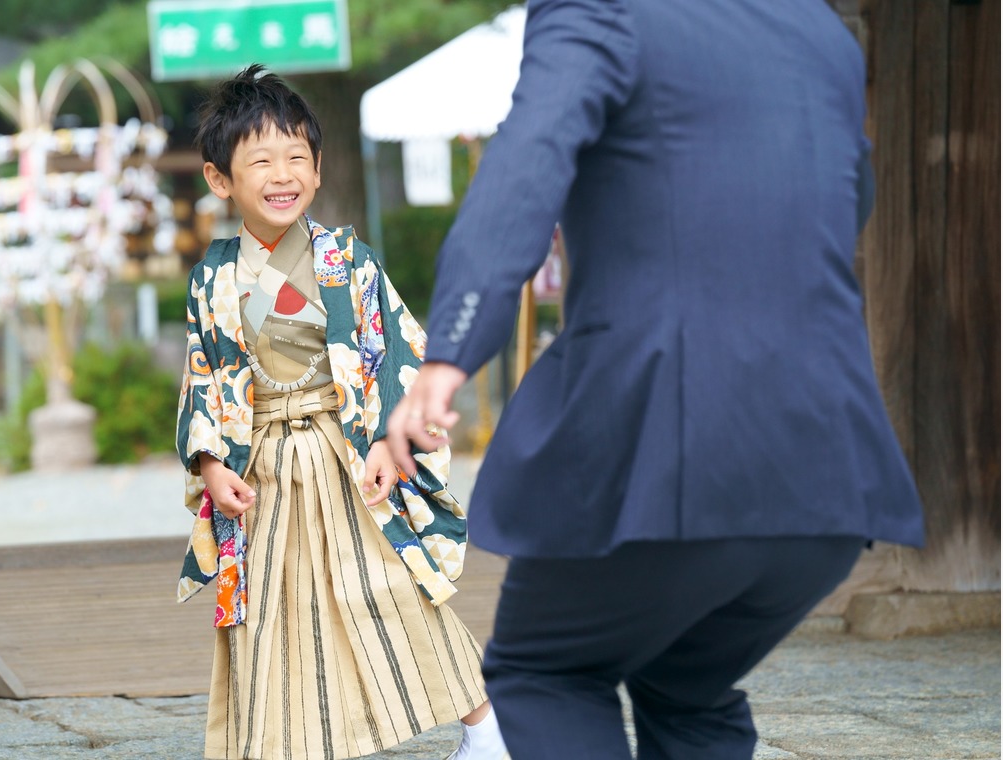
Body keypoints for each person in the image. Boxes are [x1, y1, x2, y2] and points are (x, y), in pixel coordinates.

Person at [386, 1, 925, 758]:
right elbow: (850, 194)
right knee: (686, 688)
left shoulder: (601, 8)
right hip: (831, 459)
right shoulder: (817, 28)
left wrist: (448, 354)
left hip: (670, 445)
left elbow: (525, 165)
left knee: (548, 671)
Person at [174, 65, 507, 760]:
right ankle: (285, 743)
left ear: (319, 168)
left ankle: (486, 726)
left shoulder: (347, 260)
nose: (283, 174)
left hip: (344, 452)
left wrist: (390, 440)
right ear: (219, 179)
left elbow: (397, 352)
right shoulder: (214, 277)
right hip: (261, 465)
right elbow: (202, 376)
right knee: (274, 607)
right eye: (260, 161)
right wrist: (209, 463)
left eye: (297, 156)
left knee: (388, 586)